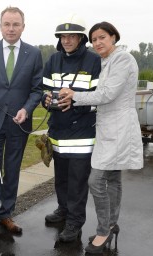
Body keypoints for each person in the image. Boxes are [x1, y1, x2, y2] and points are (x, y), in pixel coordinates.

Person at [59, 21, 144, 253]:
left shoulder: (123, 59)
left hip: (119, 128)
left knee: (96, 181)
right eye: (94, 39)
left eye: (102, 38)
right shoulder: (106, 61)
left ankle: (103, 230)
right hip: (108, 129)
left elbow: (106, 94)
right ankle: (112, 223)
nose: (97, 43)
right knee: (113, 178)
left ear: (113, 37)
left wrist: (74, 94)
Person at [0, 6, 43, 242]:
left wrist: (27, 109)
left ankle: (6, 214)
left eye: (16, 24)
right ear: (0, 25)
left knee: (12, 171)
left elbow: (36, 90)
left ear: (23, 26)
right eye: (7, 24)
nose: (11, 29)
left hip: (18, 122)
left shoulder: (33, 54)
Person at [42, 13, 101, 242]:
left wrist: (75, 100)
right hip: (58, 132)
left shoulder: (94, 61)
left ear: (81, 39)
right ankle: (63, 210)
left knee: (77, 182)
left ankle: (75, 223)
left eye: (72, 36)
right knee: (62, 179)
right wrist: (45, 100)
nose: (66, 40)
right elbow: (43, 90)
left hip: (82, 133)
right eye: (63, 36)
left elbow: (99, 96)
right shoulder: (53, 60)